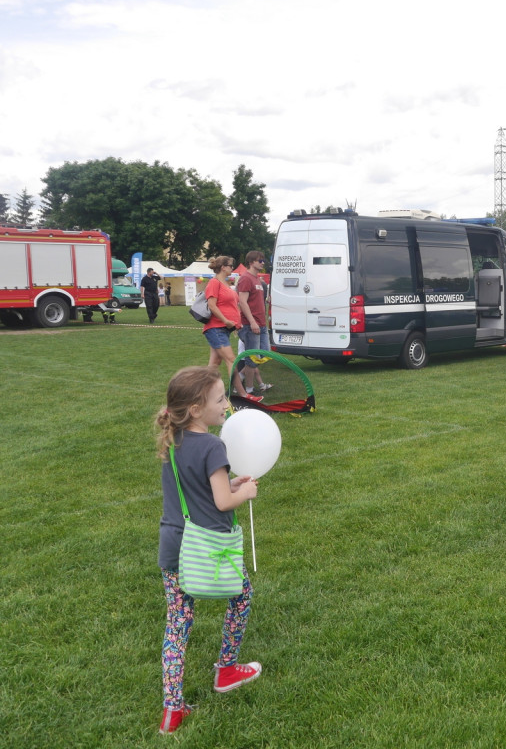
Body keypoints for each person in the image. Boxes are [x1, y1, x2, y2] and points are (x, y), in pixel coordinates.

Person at [155, 366, 262, 734]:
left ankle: (172, 709)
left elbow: (197, 488)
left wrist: (229, 482)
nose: (226, 404)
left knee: (178, 622)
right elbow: (221, 502)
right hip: (209, 548)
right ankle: (228, 668)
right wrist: (242, 492)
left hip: (174, 547)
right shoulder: (214, 445)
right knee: (242, 596)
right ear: (197, 409)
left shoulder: (174, 441)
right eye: (220, 399)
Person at [203, 256, 256, 401]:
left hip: (224, 329)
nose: (232, 268)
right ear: (223, 267)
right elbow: (212, 305)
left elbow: (231, 305)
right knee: (232, 360)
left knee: (214, 364)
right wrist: (226, 320)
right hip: (216, 328)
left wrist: (235, 324)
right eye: (230, 266)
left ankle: (202, 393)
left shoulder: (224, 283)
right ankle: (242, 394)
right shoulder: (214, 283)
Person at [236, 251, 272, 395]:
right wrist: (252, 322)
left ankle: (238, 378)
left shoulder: (257, 279)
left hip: (261, 324)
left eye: (263, 261)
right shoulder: (245, 278)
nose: (263, 263)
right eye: (260, 261)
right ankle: (249, 391)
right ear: (251, 262)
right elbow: (242, 302)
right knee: (251, 360)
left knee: (265, 354)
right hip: (251, 325)